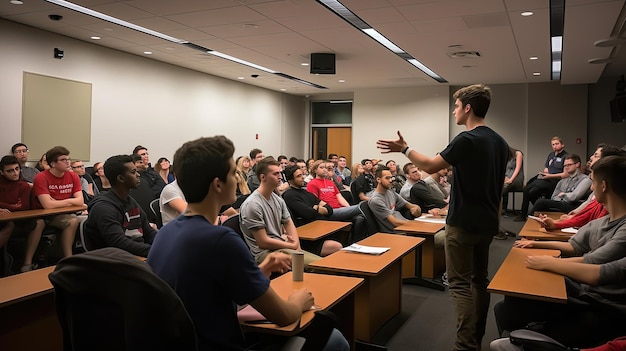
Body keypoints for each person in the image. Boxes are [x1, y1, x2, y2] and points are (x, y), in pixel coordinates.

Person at [147, 136, 348, 351]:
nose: (238, 179)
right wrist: (300, 300)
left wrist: (260, 270)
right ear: (217, 184)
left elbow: (211, 290)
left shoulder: (165, 234)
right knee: (335, 339)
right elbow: (284, 316)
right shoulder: (221, 240)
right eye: (233, 173)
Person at [377, 84, 509, 351]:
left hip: (462, 223)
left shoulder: (466, 139)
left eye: (456, 106)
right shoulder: (500, 142)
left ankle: (465, 345)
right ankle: (477, 337)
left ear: (467, 108)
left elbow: (429, 166)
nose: (453, 112)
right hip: (486, 223)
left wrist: (404, 149)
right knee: (480, 281)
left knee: (460, 285)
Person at [494, 155, 626, 348]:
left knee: (511, 307)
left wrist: (550, 262)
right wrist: (537, 244)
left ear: (603, 186)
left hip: (601, 306)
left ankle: (524, 337)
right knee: (508, 305)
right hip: (586, 292)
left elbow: (593, 265)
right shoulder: (602, 222)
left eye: (593, 183)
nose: (591, 188)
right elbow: (575, 246)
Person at [240, 157, 342, 267]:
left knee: (324, 263)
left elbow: (288, 223)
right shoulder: (252, 204)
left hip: (283, 247)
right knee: (321, 266)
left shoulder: (277, 199)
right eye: (275, 174)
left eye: (280, 173)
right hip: (265, 254)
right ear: (263, 177)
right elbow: (263, 242)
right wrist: (292, 246)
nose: (280, 177)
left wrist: (296, 246)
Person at [84, 155, 156, 257]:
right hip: (113, 262)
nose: (138, 175)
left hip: (135, 256)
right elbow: (119, 244)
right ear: (121, 178)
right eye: (133, 172)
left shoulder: (129, 201)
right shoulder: (103, 208)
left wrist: (165, 245)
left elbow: (149, 232)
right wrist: (156, 251)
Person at [32, 146, 84, 258]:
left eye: (68, 159)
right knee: (72, 221)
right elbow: (48, 205)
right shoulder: (41, 177)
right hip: (44, 215)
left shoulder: (73, 176)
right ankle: (68, 258)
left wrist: (58, 201)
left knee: (86, 220)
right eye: (63, 160)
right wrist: (70, 202)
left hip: (64, 212)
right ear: (53, 163)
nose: (68, 162)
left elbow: (80, 201)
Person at [0, 155, 44, 272]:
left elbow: (22, 207)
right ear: (2, 172)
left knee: (10, 225)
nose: (15, 173)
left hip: (18, 221)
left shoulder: (23, 185)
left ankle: (25, 263)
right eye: (10, 171)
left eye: (17, 169)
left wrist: (2, 206)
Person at [515, 137, 568, 221]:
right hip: (547, 178)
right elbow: (546, 168)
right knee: (530, 191)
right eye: (553, 144)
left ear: (562, 144)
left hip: (556, 181)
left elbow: (565, 174)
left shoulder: (566, 157)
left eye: (557, 144)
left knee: (529, 189)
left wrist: (550, 175)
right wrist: (545, 173)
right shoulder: (551, 155)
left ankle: (524, 214)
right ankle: (539, 210)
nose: (554, 146)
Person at [368, 166, 422, 233]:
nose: (391, 180)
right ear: (379, 180)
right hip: (396, 231)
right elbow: (395, 222)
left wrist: (417, 209)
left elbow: (411, 206)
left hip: (406, 226)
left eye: (391, 177)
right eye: (387, 178)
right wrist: (416, 224)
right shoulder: (376, 200)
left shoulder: (390, 192)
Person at [501, 146, 524, 213]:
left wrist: (511, 179)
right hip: (507, 177)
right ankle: (503, 208)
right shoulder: (507, 157)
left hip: (517, 178)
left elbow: (517, 169)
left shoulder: (518, 154)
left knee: (504, 186)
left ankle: (502, 209)